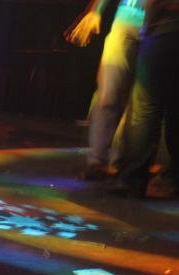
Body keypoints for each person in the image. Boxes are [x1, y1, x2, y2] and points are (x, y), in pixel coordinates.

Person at [65, 0, 146, 181]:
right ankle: (98, 161)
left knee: (142, 102)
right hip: (128, 19)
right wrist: (95, 10)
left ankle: (119, 162)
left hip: (161, 26)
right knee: (109, 93)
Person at [109, 0, 179, 197]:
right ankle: (172, 179)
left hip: (164, 32)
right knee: (175, 112)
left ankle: (132, 180)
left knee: (145, 110)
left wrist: (147, 27)